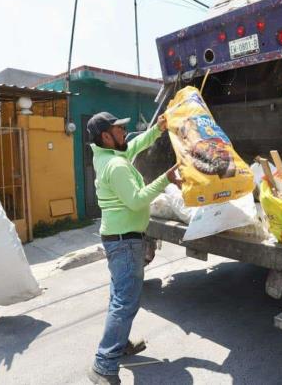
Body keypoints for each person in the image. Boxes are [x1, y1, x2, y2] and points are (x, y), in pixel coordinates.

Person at [86, 112, 181, 384]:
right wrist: (166, 179)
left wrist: (157, 130)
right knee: (125, 302)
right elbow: (137, 201)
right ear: (106, 136)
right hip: (124, 242)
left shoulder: (108, 156)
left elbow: (135, 145)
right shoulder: (116, 166)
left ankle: (121, 343)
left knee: (120, 297)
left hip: (119, 239)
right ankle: (104, 365)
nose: (124, 133)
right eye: (118, 129)